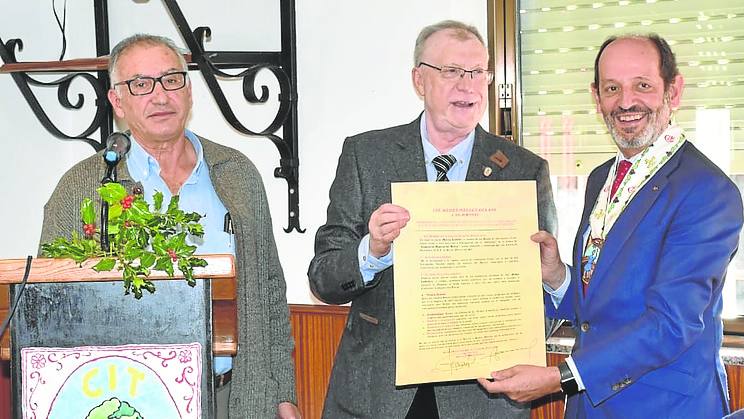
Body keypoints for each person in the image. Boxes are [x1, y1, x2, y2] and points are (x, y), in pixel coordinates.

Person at [477, 33, 744, 418]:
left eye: (643, 85)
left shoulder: (707, 191)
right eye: (612, 88)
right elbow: (601, 309)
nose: (626, 102)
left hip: (665, 408)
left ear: (674, 89)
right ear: (596, 96)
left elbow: (671, 325)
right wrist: (556, 277)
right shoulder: (601, 178)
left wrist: (560, 378)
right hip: (591, 405)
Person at [38, 34, 300, 419]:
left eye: (171, 79)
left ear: (189, 91)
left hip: (235, 396)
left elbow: (269, 290)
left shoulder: (237, 174)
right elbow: (48, 309)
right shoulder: (82, 187)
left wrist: (283, 392)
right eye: (140, 84)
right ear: (117, 102)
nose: (160, 96)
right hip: (128, 400)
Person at [308, 20, 557, 418]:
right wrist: (371, 251)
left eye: (478, 72)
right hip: (378, 395)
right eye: (452, 71)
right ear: (419, 80)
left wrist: (552, 277)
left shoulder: (523, 171)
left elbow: (540, 296)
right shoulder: (365, 155)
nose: (468, 85)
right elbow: (323, 278)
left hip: (483, 400)